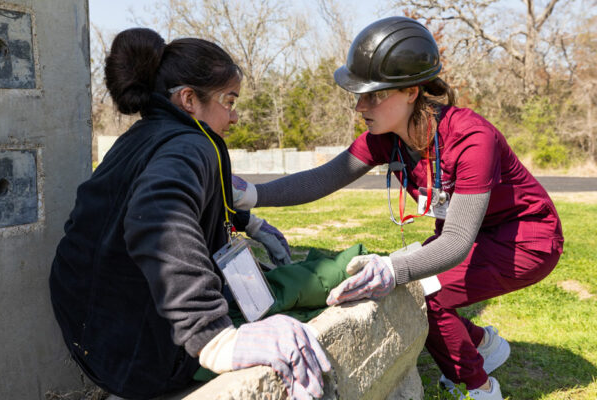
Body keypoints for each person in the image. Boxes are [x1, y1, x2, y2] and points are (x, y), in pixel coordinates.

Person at [232, 16, 564, 400]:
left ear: (410, 91)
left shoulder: (472, 139)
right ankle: (483, 346)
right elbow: (322, 179)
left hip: (525, 241)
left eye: (373, 95)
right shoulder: (385, 137)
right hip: (472, 236)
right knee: (425, 281)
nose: (360, 106)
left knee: (428, 290)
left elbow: (455, 242)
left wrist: (393, 268)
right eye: (359, 94)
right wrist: (252, 195)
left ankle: (480, 388)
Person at [49, 28, 329, 400]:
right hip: (133, 344)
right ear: (188, 99)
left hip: (88, 322)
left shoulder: (143, 136)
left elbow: (190, 196)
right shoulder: (191, 144)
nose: (233, 118)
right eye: (229, 101)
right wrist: (212, 335)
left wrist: (251, 222)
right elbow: (156, 215)